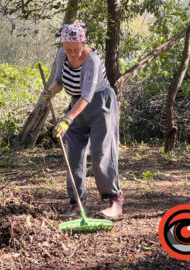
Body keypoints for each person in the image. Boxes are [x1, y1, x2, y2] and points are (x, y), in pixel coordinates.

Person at [51, 23, 124, 218]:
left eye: (76, 49)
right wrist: (49, 92)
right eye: (68, 50)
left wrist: (67, 119)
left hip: (100, 104)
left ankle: (115, 200)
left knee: (101, 154)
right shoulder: (61, 55)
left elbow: (87, 95)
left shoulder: (92, 59)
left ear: (84, 43)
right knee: (73, 155)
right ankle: (77, 202)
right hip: (76, 106)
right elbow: (59, 81)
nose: (72, 54)